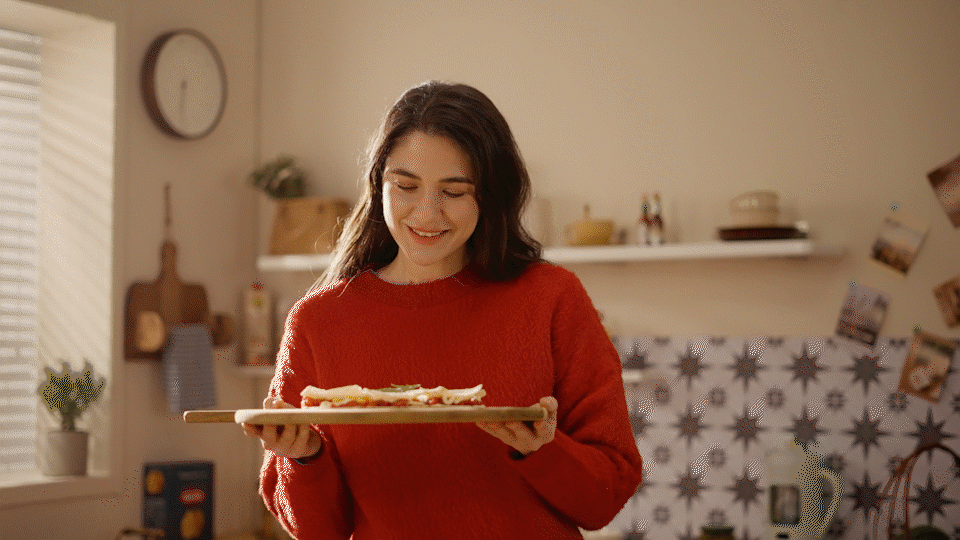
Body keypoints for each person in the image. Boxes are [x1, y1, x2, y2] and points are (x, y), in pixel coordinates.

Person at [242, 81, 643, 539]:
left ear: (491, 194)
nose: (427, 214)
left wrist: (544, 452)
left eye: (453, 191)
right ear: (377, 184)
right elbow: (319, 531)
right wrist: (305, 457)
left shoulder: (553, 298)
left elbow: (607, 495)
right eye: (406, 186)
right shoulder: (317, 320)